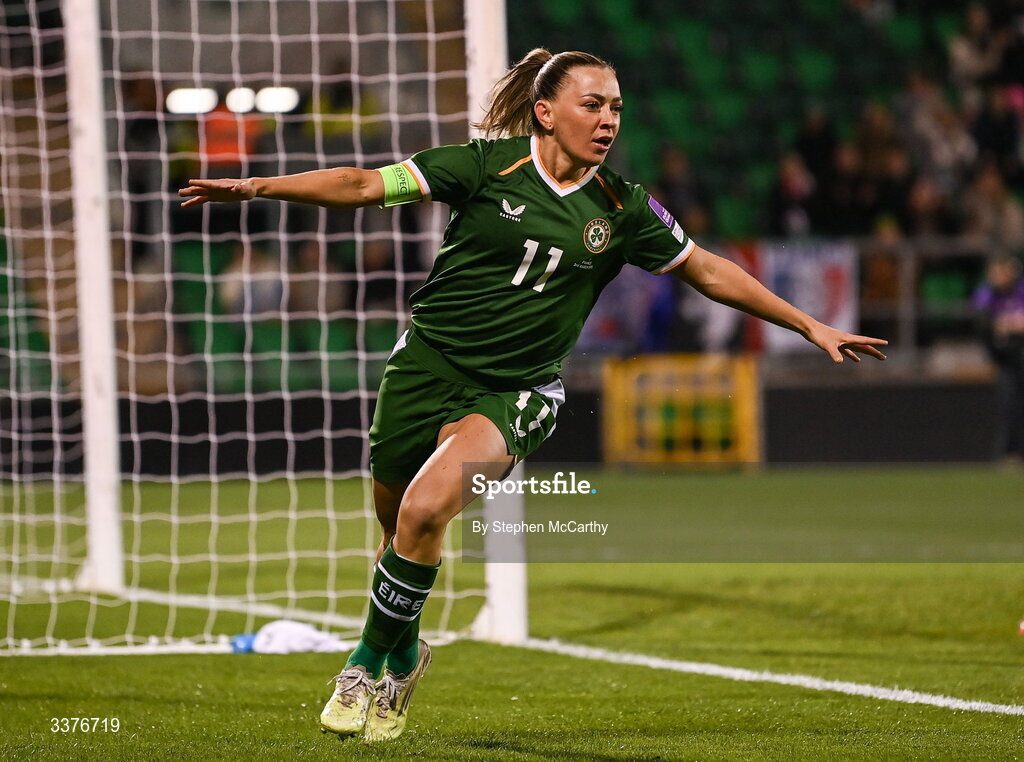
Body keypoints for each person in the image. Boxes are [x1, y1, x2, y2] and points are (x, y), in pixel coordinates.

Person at [179, 49, 888, 743]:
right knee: (400, 530)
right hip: (424, 368)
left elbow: (705, 269)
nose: (608, 120)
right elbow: (364, 184)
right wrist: (256, 187)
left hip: (518, 389)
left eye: (616, 108)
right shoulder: (484, 168)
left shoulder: (623, 207)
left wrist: (806, 323)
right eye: (592, 104)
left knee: (426, 510)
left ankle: (364, 669)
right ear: (545, 113)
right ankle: (404, 656)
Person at [972, 255, 1024, 461]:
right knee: (1008, 406)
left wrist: (1006, 325)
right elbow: (983, 323)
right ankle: (1008, 453)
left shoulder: (1020, 290)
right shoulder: (986, 294)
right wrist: (1012, 324)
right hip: (1006, 360)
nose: (1001, 276)